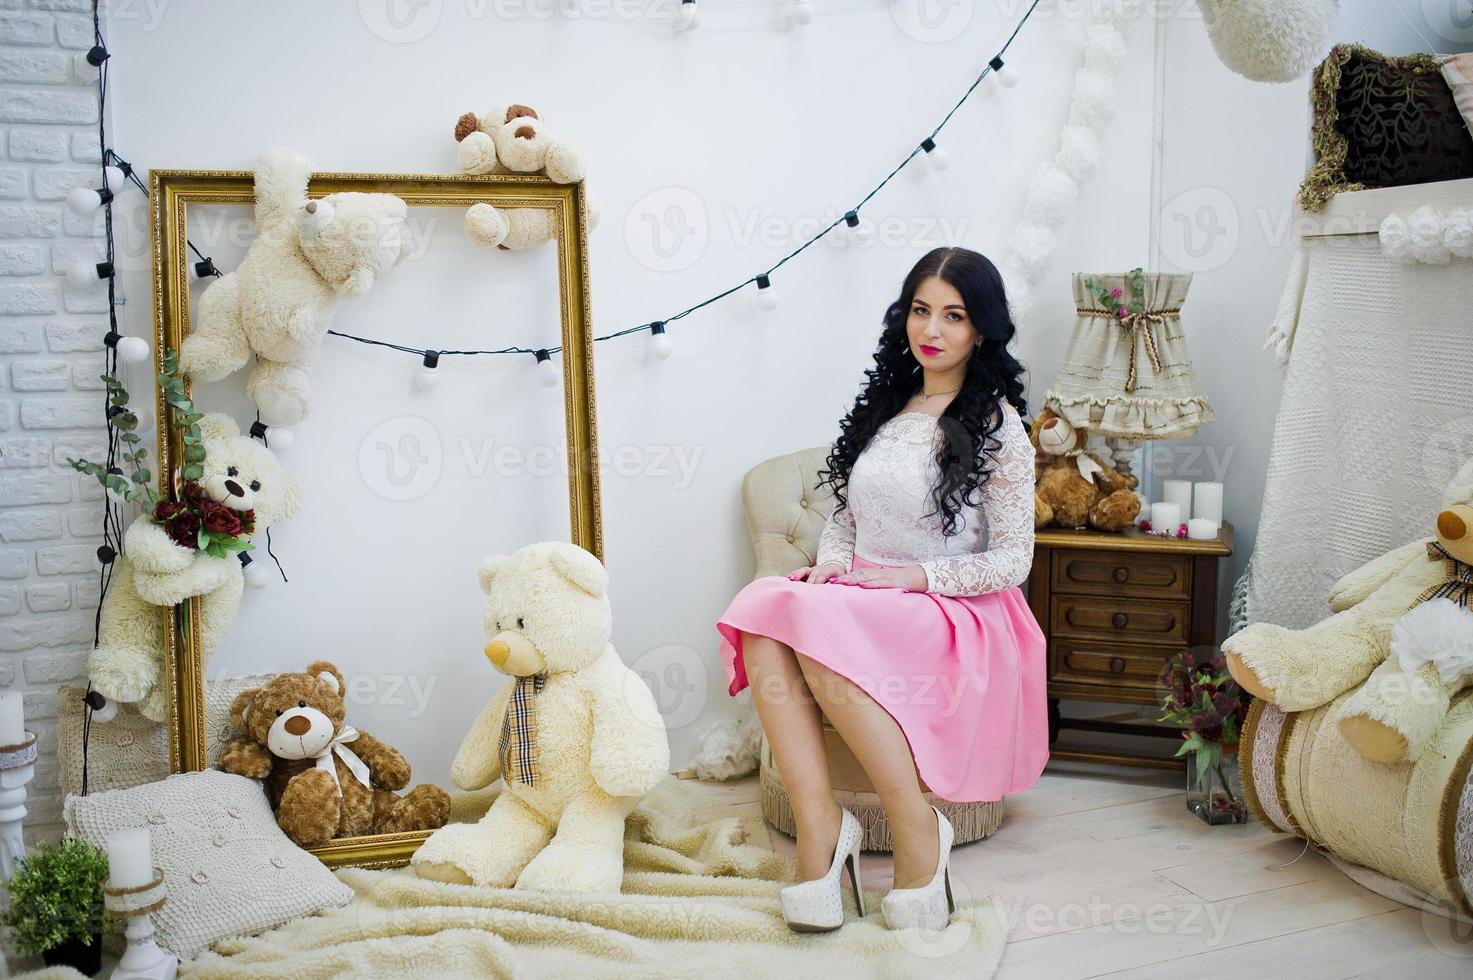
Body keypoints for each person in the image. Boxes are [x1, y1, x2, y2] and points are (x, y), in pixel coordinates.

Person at [714, 246, 1048, 933]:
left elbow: (1013, 560)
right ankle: (819, 825)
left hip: (951, 608)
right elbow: (844, 518)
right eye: (920, 310)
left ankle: (915, 827)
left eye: (953, 316)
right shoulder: (887, 407)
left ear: (980, 330)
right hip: (865, 596)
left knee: (807, 630)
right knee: (762, 610)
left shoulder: (998, 427)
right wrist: (833, 565)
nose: (931, 329)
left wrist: (915, 578)